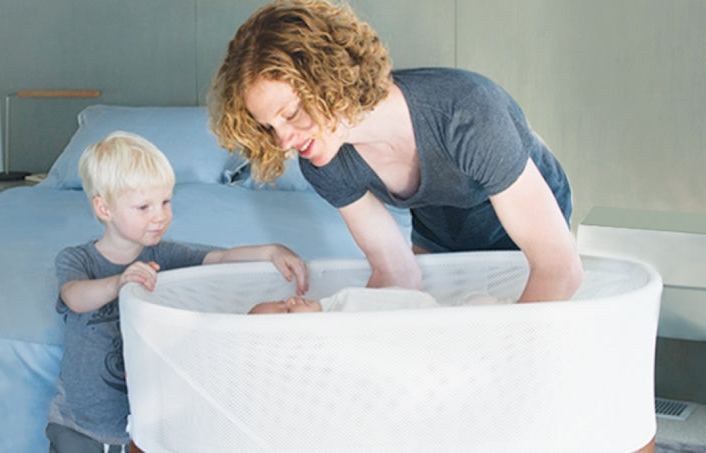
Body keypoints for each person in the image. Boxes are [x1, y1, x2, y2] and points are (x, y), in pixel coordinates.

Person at [207, 0, 583, 304]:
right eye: (269, 128)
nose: (285, 141)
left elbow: (560, 270)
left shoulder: (468, 113)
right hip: (440, 227)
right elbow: (396, 273)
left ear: (329, 79)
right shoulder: (324, 160)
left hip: (518, 219)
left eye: (291, 113)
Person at [46, 130, 309, 453]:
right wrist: (119, 283)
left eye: (166, 202)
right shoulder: (78, 259)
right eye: (144, 207)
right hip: (79, 425)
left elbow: (219, 258)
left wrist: (269, 251)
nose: (160, 216)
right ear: (104, 209)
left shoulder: (163, 256)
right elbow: (74, 296)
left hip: (139, 427)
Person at [247, 286, 441, 314]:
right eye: (287, 311)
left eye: (283, 300)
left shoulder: (336, 301)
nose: (291, 300)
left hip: (434, 310)